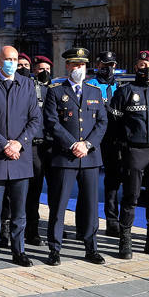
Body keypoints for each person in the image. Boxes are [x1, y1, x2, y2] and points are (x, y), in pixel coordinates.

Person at [0, 45, 42, 268]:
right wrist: (4, 144)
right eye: (8, 59)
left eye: (15, 59)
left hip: (20, 158)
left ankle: (18, 251)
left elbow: (35, 120)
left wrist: (18, 144)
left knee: (19, 212)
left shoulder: (27, 84)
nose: (12, 62)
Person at [42, 48, 107, 265]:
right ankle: (55, 249)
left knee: (90, 205)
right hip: (65, 157)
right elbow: (51, 122)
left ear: (86, 67)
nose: (77, 68)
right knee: (59, 205)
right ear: (67, 67)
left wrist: (87, 144)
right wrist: (73, 144)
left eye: (81, 65)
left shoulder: (95, 92)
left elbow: (102, 122)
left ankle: (91, 247)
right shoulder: (55, 91)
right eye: (73, 65)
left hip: (89, 157)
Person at [107, 51, 149, 259]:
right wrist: (122, 146)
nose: (145, 68)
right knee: (131, 196)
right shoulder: (125, 92)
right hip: (134, 151)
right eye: (141, 65)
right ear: (135, 68)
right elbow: (114, 123)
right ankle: (125, 241)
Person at [88, 51, 122, 237]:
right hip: (93, 139)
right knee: (89, 182)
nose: (108, 68)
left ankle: (112, 221)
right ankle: (88, 220)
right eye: (105, 64)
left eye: (112, 64)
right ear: (98, 65)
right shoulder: (90, 85)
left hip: (112, 140)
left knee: (112, 182)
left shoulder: (119, 88)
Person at [24, 54, 53, 246]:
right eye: (40, 69)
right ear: (34, 70)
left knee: (55, 191)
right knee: (33, 191)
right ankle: (32, 231)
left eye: (47, 69)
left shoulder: (55, 90)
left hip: (52, 146)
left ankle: (53, 228)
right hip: (34, 145)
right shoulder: (29, 89)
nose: (44, 72)